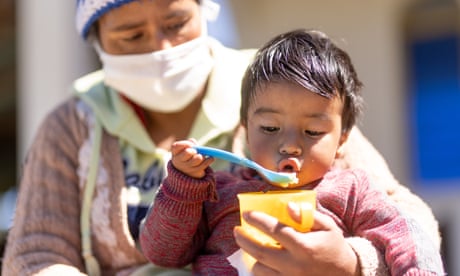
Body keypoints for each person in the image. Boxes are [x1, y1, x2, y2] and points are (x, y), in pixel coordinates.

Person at [1, 0, 440, 275]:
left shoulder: (281, 89)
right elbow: (37, 255)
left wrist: (350, 263)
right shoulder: (70, 127)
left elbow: (406, 220)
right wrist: (182, 188)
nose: (161, 48)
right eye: (131, 35)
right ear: (96, 40)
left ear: (204, 9)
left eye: (176, 21)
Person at [139, 29, 444, 275]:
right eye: (270, 128)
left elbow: (406, 235)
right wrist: (183, 186)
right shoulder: (216, 192)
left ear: (341, 141)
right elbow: (163, 253)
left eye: (312, 132)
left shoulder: (352, 192)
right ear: (245, 128)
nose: (289, 145)